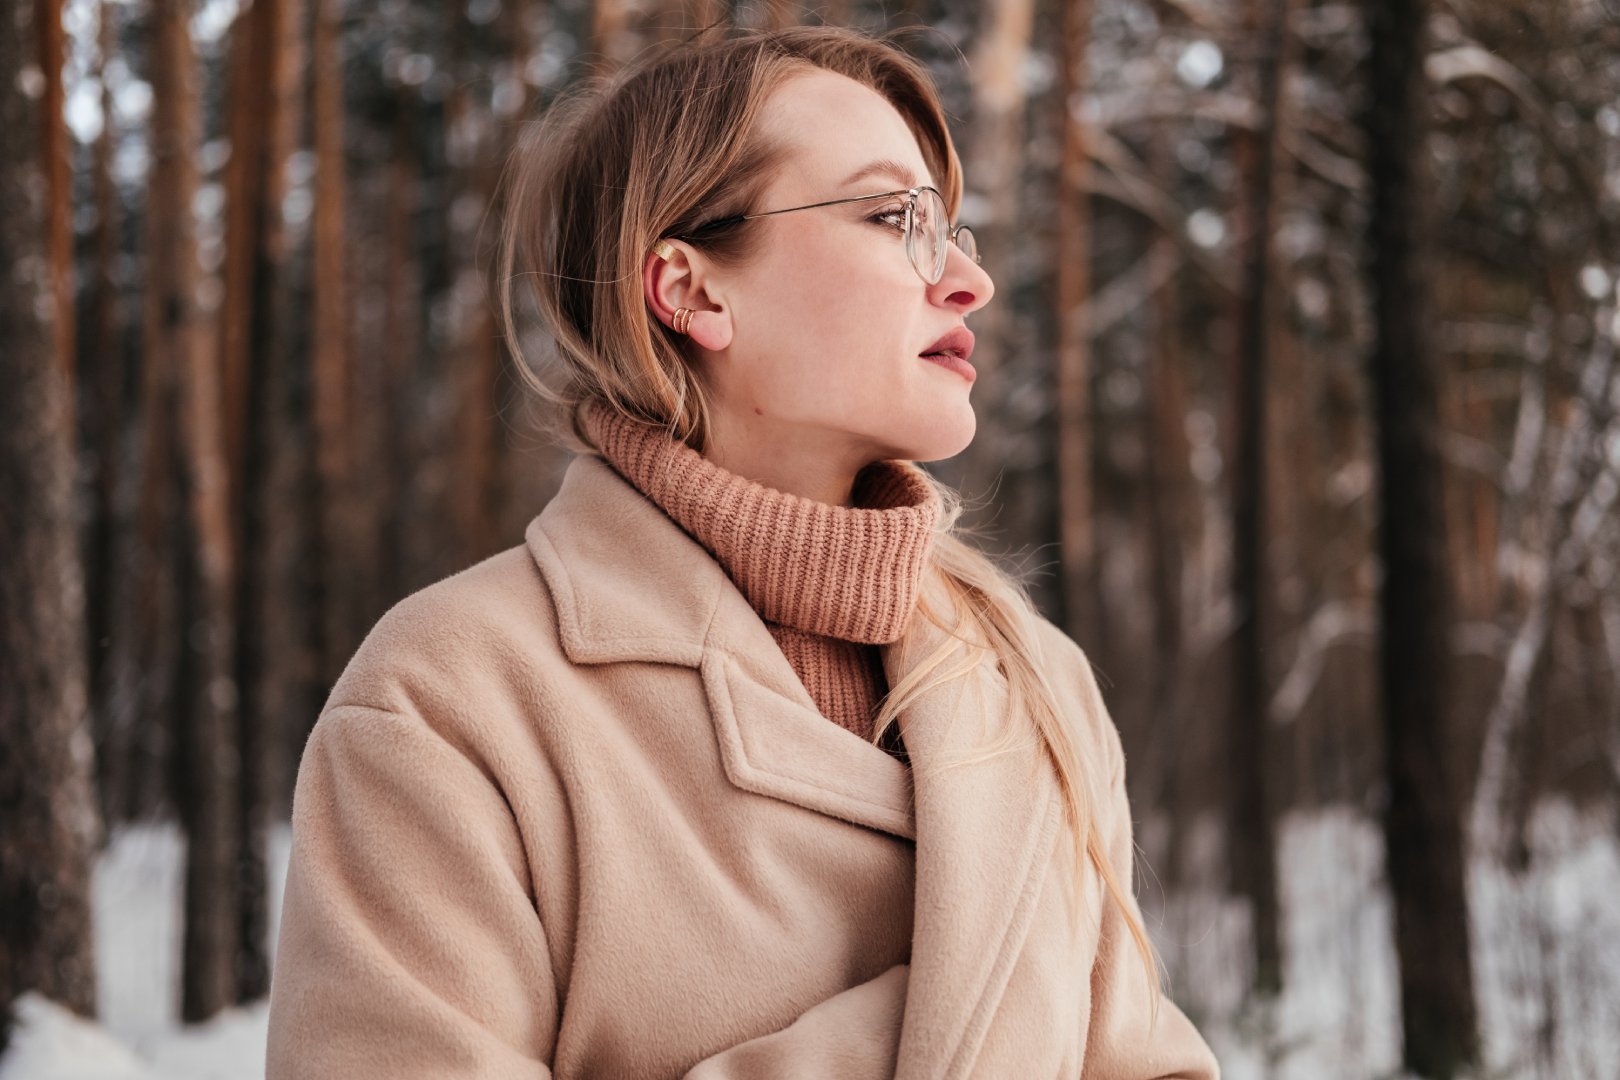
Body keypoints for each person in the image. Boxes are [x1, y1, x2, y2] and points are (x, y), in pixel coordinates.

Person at [265, 23, 1219, 1080]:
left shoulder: (1034, 683)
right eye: (891, 216)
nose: (964, 280)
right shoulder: (449, 700)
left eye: (956, 229)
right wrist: (936, 1032)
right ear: (691, 291)